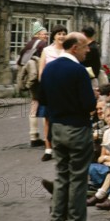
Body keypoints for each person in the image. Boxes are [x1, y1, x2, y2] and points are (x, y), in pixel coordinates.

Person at [38, 32, 96, 221]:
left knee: (61, 176)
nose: (88, 50)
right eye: (85, 47)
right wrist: (93, 96)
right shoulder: (78, 71)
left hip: (57, 128)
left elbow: (42, 98)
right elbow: (89, 104)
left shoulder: (50, 68)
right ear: (75, 48)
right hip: (77, 128)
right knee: (78, 179)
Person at [38, 24, 68, 162]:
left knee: (64, 120)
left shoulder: (68, 51)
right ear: (54, 36)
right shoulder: (47, 50)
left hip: (64, 91)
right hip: (50, 90)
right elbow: (41, 72)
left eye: (64, 33)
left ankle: (63, 148)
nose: (61, 36)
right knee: (48, 120)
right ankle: (48, 149)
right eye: (59, 34)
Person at [16, 21, 48, 147]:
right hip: (40, 79)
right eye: (44, 34)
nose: (46, 36)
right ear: (38, 34)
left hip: (31, 79)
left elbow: (20, 63)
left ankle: (33, 136)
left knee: (34, 105)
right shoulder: (42, 45)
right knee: (48, 107)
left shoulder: (27, 45)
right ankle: (47, 138)